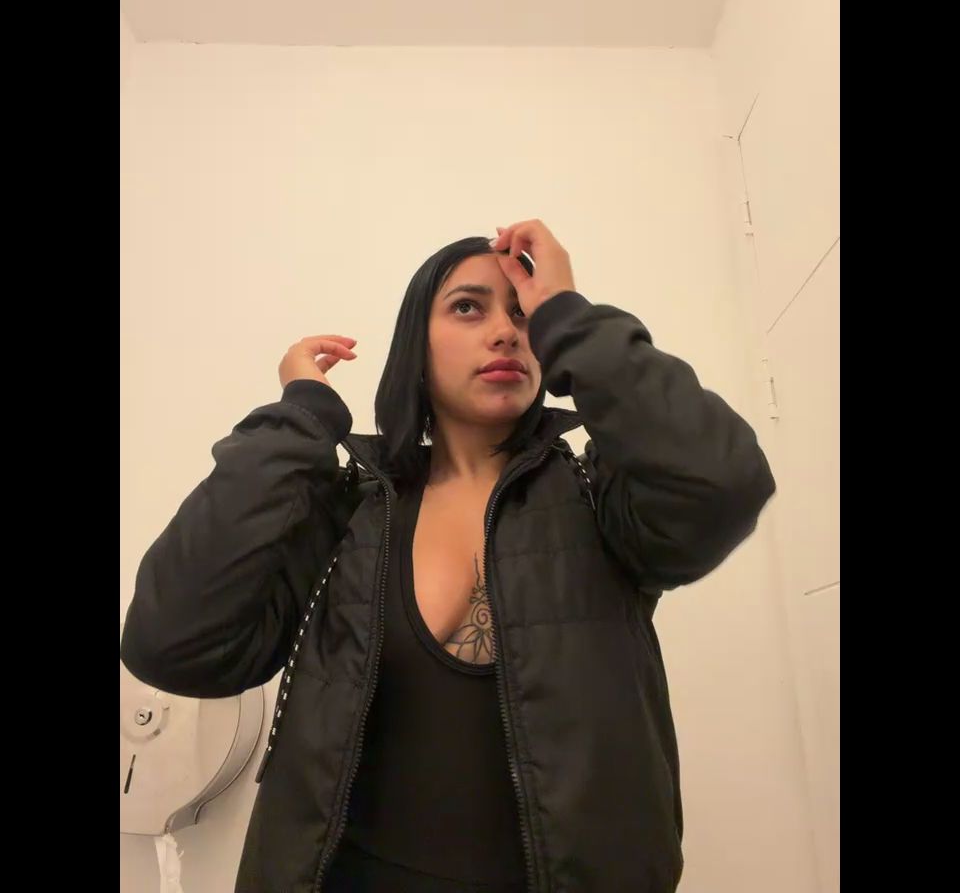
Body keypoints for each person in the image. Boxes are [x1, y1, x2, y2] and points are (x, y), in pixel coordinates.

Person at [121, 219, 776, 892]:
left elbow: (722, 483)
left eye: (523, 315)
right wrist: (301, 417)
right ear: (416, 344)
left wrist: (568, 314)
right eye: (468, 307)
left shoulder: (598, 499)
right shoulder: (348, 512)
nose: (506, 332)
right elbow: (173, 643)